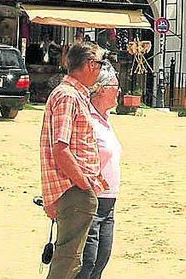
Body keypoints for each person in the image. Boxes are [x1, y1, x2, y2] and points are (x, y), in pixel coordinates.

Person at [40, 41, 109, 279]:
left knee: (70, 261)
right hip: (73, 189)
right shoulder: (68, 96)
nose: (101, 70)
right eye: (100, 64)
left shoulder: (72, 94)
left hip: (74, 188)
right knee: (67, 262)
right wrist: (84, 183)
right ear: (90, 65)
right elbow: (61, 148)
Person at [79, 63, 123, 279]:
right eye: (116, 86)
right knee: (87, 262)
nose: (120, 92)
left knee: (101, 259)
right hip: (91, 199)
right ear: (103, 89)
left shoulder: (105, 120)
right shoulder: (87, 119)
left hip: (109, 202)